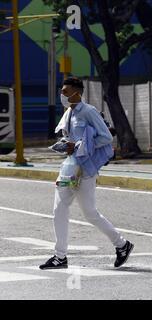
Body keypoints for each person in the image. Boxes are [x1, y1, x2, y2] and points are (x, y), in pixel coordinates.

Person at [39, 77, 134, 270]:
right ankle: (60, 256)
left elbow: (106, 137)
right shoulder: (69, 113)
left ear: (77, 93)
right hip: (70, 167)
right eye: (62, 91)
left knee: (90, 213)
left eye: (65, 92)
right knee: (59, 209)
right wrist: (66, 145)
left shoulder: (88, 111)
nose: (62, 95)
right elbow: (71, 138)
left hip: (86, 169)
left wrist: (79, 145)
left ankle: (122, 244)